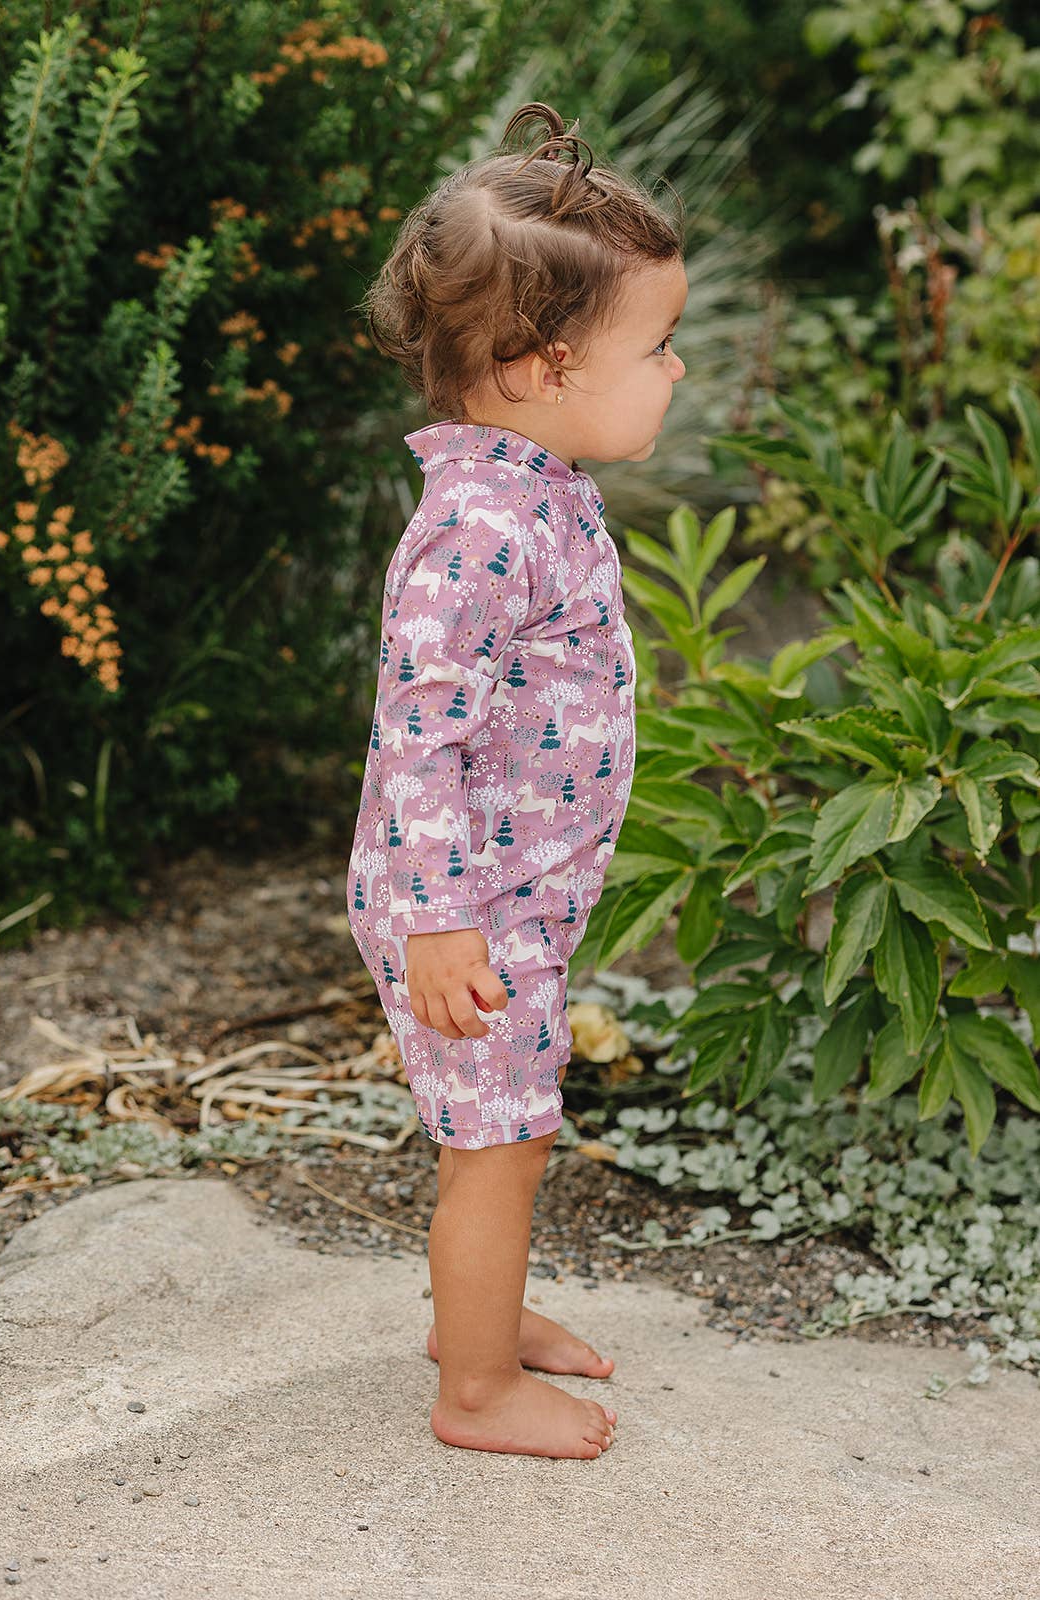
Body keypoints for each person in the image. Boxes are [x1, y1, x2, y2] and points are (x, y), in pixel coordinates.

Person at [345, 100, 688, 1460]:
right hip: (467, 912)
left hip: (506, 898)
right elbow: (417, 732)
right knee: (503, 1141)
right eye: (655, 347)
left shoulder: (532, 483)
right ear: (547, 368)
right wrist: (439, 920)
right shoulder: (480, 529)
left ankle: (474, 1315)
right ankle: (474, 1388)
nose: (674, 372)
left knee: (507, 1133)